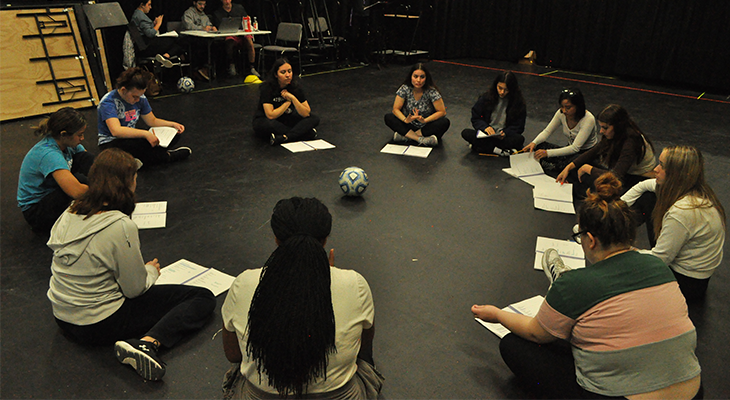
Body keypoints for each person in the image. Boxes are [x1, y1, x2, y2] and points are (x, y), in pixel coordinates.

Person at [472, 172, 702, 399]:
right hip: (693, 391)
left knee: (514, 345)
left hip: (620, 396)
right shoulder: (657, 265)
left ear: (590, 240)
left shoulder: (576, 283)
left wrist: (498, 314)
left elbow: (535, 333)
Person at [47, 148, 216, 381]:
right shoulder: (119, 225)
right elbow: (135, 289)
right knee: (202, 298)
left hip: (63, 317)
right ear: (127, 184)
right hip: (98, 323)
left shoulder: (71, 209)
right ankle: (147, 344)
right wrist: (151, 271)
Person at [221, 197, 383, 398]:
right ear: (324, 240)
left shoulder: (243, 283)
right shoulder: (355, 283)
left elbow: (233, 354)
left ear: (276, 239)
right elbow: (363, 345)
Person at [621, 145, 725, 301]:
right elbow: (644, 185)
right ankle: (613, 229)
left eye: (662, 165)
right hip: (696, 275)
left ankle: (613, 239)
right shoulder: (695, 190)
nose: (655, 169)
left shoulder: (682, 211)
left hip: (687, 283)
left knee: (620, 274)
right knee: (648, 197)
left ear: (676, 173)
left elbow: (660, 259)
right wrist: (616, 208)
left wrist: (624, 252)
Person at [17, 107, 95, 233]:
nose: (82, 138)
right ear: (63, 134)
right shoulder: (49, 154)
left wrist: (109, 177)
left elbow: (91, 164)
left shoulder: (66, 143)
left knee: (85, 158)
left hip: (51, 192)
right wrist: (106, 192)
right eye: (79, 135)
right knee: (82, 183)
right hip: (36, 212)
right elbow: (76, 192)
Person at [556, 104, 655, 200]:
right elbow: (594, 151)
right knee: (576, 162)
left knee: (603, 187)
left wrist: (589, 169)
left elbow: (616, 176)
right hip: (623, 173)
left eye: (605, 128)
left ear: (617, 126)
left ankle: (582, 189)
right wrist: (569, 167)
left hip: (635, 179)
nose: (601, 131)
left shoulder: (631, 141)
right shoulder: (616, 134)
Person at [97, 67, 191, 167]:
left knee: (174, 134)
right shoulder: (108, 102)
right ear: (123, 90)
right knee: (139, 144)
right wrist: (145, 134)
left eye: (140, 96)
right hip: (112, 143)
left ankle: (135, 161)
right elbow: (116, 131)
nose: (138, 100)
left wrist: (172, 124)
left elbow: (152, 120)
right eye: (134, 97)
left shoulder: (140, 97)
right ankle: (167, 156)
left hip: (131, 138)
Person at [522, 88, 598, 172]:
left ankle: (558, 166)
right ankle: (557, 166)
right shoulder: (561, 113)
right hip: (570, 149)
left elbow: (575, 148)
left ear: (578, 106)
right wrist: (534, 142)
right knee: (539, 146)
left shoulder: (588, 119)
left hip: (585, 154)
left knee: (572, 164)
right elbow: (547, 131)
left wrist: (547, 153)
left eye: (568, 107)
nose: (564, 111)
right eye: (562, 107)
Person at [252, 58, 320, 145]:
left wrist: (293, 99)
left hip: (286, 118)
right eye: (283, 72)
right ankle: (304, 134)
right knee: (269, 125)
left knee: (314, 118)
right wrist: (287, 103)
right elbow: (271, 115)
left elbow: (306, 113)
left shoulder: (295, 88)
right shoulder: (267, 88)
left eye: (289, 71)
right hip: (267, 119)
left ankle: (285, 137)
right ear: (276, 75)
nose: (288, 75)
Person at [461, 71, 526, 156]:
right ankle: (498, 150)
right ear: (496, 85)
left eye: (506, 90)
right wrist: (485, 127)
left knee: (519, 139)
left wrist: (505, 133)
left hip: (503, 137)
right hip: (486, 135)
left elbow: (519, 126)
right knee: (466, 133)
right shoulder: (486, 97)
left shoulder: (518, 103)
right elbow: (476, 117)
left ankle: (481, 147)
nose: (502, 92)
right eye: (500, 88)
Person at [385, 63, 449, 147]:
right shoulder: (405, 88)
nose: (418, 80)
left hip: (425, 126)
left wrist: (425, 120)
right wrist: (405, 120)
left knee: (444, 122)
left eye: (422, 77)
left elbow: (442, 112)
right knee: (389, 117)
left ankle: (406, 137)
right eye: (415, 76)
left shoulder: (431, 91)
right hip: (409, 125)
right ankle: (419, 139)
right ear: (411, 77)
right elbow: (395, 109)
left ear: (426, 78)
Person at [130, 0, 185, 67]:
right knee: (180, 41)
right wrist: (158, 24)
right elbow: (150, 34)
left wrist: (153, 24)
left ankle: (165, 56)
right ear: (142, 5)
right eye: (149, 4)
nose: (150, 7)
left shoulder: (137, 15)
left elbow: (145, 29)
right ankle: (166, 57)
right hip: (147, 46)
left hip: (144, 45)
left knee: (178, 42)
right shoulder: (140, 16)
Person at [212, 0, 259, 77]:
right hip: (230, 34)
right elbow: (219, 27)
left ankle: (252, 67)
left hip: (241, 33)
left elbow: (245, 19)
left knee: (249, 41)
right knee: (229, 41)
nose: (227, 1)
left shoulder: (239, 8)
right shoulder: (218, 13)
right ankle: (231, 65)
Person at [182, 0, 217, 81]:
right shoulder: (188, 13)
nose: (202, 6)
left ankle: (206, 69)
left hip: (203, 38)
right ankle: (199, 69)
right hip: (190, 39)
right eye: (200, 4)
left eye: (204, 4)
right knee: (202, 45)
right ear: (194, 3)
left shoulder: (204, 15)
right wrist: (203, 28)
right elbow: (188, 26)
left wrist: (212, 28)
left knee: (214, 44)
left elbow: (208, 24)